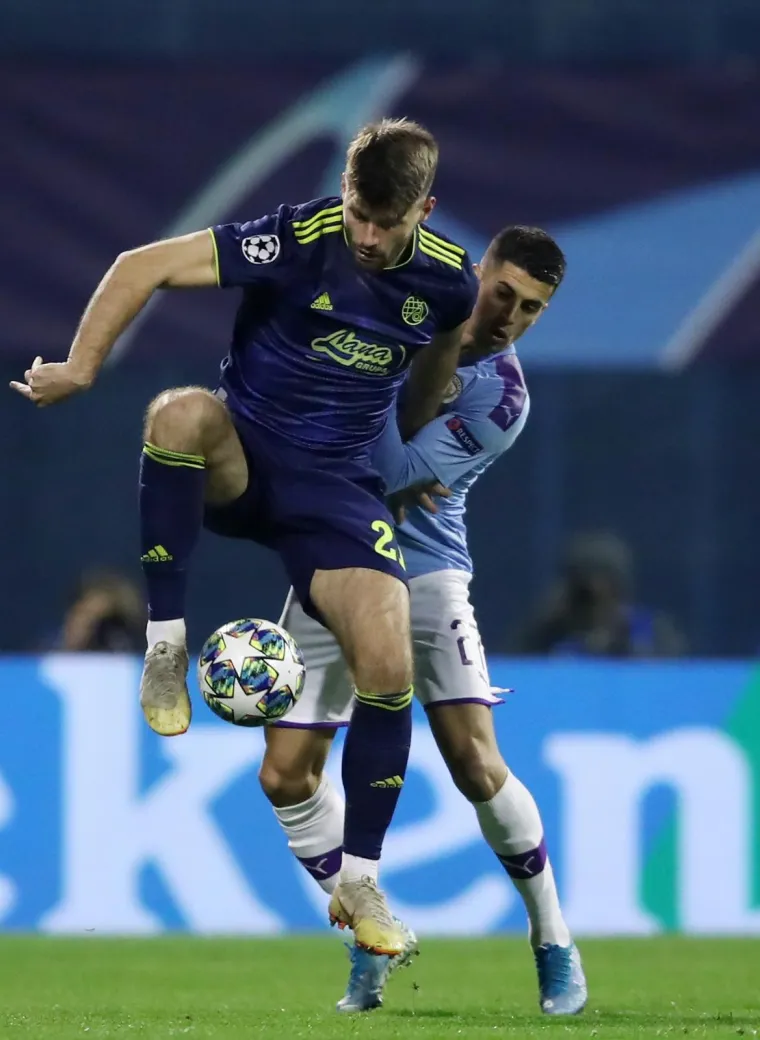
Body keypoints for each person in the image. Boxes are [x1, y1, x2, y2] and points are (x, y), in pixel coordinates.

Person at [10, 119, 479, 957]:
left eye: (386, 223)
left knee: (387, 662)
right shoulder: (298, 240)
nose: (365, 237)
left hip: (336, 492)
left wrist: (410, 442)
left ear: (425, 210)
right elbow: (139, 265)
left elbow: (441, 354)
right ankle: (165, 645)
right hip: (246, 462)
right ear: (343, 187)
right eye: (356, 213)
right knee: (179, 413)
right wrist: (81, 368)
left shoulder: (449, 282)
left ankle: (362, 881)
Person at [261, 227, 588, 1015]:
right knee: (283, 773)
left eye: (532, 309)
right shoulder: (394, 314)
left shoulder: (501, 397)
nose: (510, 316)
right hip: (336, 561)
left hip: (426, 571)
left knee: (475, 762)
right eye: (504, 292)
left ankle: (553, 939)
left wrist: (356, 397)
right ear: (480, 275)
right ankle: (368, 936)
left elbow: (392, 475)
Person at [511, 530, 688, 656]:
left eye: (604, 582)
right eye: (584, 584)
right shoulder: (545, 636)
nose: (594, 591)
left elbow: (671, 680)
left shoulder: (653, 634)